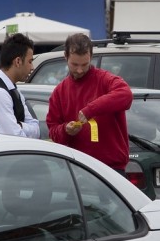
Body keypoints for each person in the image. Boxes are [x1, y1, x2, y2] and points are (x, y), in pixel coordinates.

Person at [46, 32, 133, 173]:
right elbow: (53, 131)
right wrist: (65, 130)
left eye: (84, 64)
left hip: (111, 168)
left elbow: (126, 95)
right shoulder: (59, 92)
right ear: (65, 57)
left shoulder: (105, 80)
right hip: (79, 168)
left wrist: (90, 110)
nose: (79, 70)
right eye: (74, 64)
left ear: (91, 57)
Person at [0, 33, 41, 138]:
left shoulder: (12, 89)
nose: (32, 67)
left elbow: (37, 130)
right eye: (30, 62)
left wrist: (20, 126)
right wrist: (25, 127)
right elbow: (15, 138)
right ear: (18, 61)